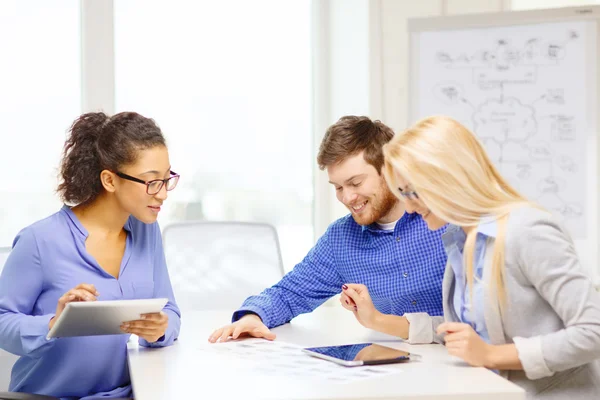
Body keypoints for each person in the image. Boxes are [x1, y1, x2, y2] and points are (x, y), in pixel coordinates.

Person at [381, 115, 600, 398]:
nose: (408, 209)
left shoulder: (527, 231)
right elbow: (472, 332)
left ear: (448, 177)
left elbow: (593, 332)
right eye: (402, 195)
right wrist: (378, 321)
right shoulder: (461, 240)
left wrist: (491, 355)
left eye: (413, 193)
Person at [209, 116, 447, 344]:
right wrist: (253, 316)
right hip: (400, 365)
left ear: (389, 171)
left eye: (355, 183)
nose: (348, 197)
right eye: (338, 187)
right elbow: (290, 292)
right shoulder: (342, 239)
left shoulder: (445, 218)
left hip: (462, 362)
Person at [0, 112, 181, 399]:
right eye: (151, 182)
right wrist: (52, 324)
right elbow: (2, 321)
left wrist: (160, 329)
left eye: (166, 178)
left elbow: (169, 310)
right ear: (110, 180)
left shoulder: (147, 232)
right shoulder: (40, 240)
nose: (162, 194)